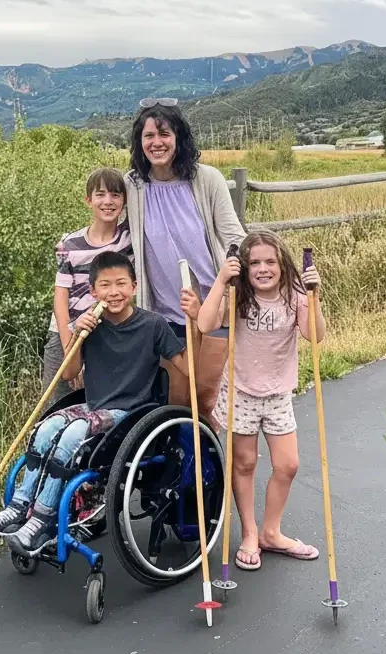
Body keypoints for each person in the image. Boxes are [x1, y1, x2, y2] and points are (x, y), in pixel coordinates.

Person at [0, 251, 188, 557]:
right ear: (93, 292)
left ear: (134, 287)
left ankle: (41, 518)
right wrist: (78, 335)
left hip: (128, 414)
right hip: (93, 406)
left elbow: (186, 365)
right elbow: (72, 373)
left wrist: (192, 321)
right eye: (104, 285)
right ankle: (19, 505)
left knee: (74, 434)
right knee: (46, 427)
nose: (113, 292)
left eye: (120, 284)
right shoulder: (90, 324)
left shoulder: (153, 324)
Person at [196, 229, 325, 571]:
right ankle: (250, 533)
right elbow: (206, 323)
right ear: (245, 267)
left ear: (283, 264)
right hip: (241, 391)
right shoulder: (237, 294)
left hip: (278, 393)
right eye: (254, 262)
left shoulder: (295, 294)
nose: (263, 268)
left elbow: (315, 335)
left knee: (288, 465)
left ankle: (272, 531)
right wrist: (223, 280)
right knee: (245, 463)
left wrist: (314, 297)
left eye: (270, 261)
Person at [123, 98, 246, 423]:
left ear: (179, 137)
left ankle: (210, 469)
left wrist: (251, 273)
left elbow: (235, 236)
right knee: (175, 404)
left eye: (164, 134)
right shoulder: (133, 185)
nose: (156, 142)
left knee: (204, 400)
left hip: (213, 309)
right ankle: (183, 471)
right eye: (148, 136)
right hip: (162, 316)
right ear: (139, 141)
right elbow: (113, 232)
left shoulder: (206, 179)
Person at [41, 167, 133, 406]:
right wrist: (67, 342)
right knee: (54, 403)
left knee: (101, 402)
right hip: (66, 327)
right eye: (100, 195)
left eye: (115, 195)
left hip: (106, 332)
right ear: (88, 200)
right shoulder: (69, 244)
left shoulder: (128, 240)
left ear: (124, 201)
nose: (108, 202)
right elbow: (61, 295)